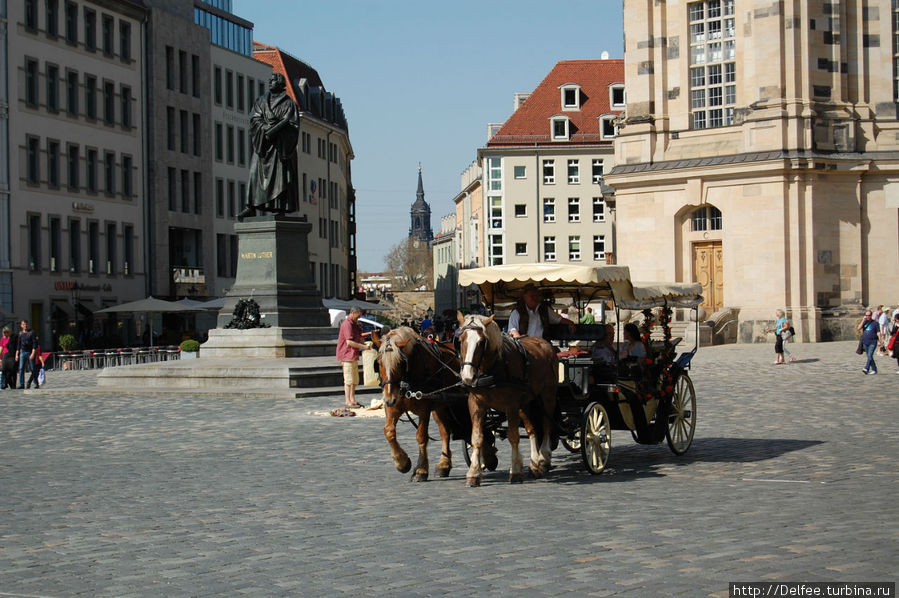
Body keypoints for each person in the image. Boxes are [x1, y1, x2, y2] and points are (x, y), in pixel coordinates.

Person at [239, 73, 299, 219]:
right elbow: (254, 120)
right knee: (254, 174)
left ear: (280, 84)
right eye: (270, 80)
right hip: (263, 147)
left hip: (279, 148)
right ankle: (251, 206)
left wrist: (278, 132)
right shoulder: (260, 101)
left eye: (273, 80)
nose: (270, 82)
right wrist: (265, 129)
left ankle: (281, 208)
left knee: (282, 178)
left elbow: (293, 126)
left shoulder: (289, 103)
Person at [508, 284, 575, 340]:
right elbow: (513, 330)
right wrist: (522, 344)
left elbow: (558, 319)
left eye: (536, 296)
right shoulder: (517, 312)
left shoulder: (544, 309)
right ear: (525, 297)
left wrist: (570, 323)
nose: (535, 298)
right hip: (526, 346)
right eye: (532, 296)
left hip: (542, 345)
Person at [335, 307, 367, 415]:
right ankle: (348, 401)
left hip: (353, 355)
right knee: (348, 380)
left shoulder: (355, 324)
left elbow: (359, 336)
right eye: (358, 316)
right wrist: (363, 346)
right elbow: (349, 342)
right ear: (352, 313)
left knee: (354, 380)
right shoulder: (347, 324)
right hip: (347, 354)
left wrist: (364, 341)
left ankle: (352, 400)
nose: (359, 318)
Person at [15, 320, 38, 389]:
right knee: (21, 368)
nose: (25, 326)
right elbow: (18, 345)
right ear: (21, 326)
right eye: (24, 324)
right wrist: (16, 354)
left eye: (26, 324)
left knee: (32, 368)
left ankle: (36, 383)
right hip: (23, 352)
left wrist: (33, 353)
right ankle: (22, 384)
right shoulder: (20, 334)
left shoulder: (32, 332)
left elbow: (35, 343)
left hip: (30, 352)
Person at [857, 309, 880, 375]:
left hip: (873, 342)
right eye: (866, 315)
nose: (867, 316)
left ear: (871, 315)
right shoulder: (864, 322)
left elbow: (878, 333)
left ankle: (866, 368)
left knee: (870, 355)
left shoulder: (875, 323)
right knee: (869, 356)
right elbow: (859, 328)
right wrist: (863, 320)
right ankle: (874, 369)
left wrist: (880, 341)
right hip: (865, 342)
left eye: (869, 315)